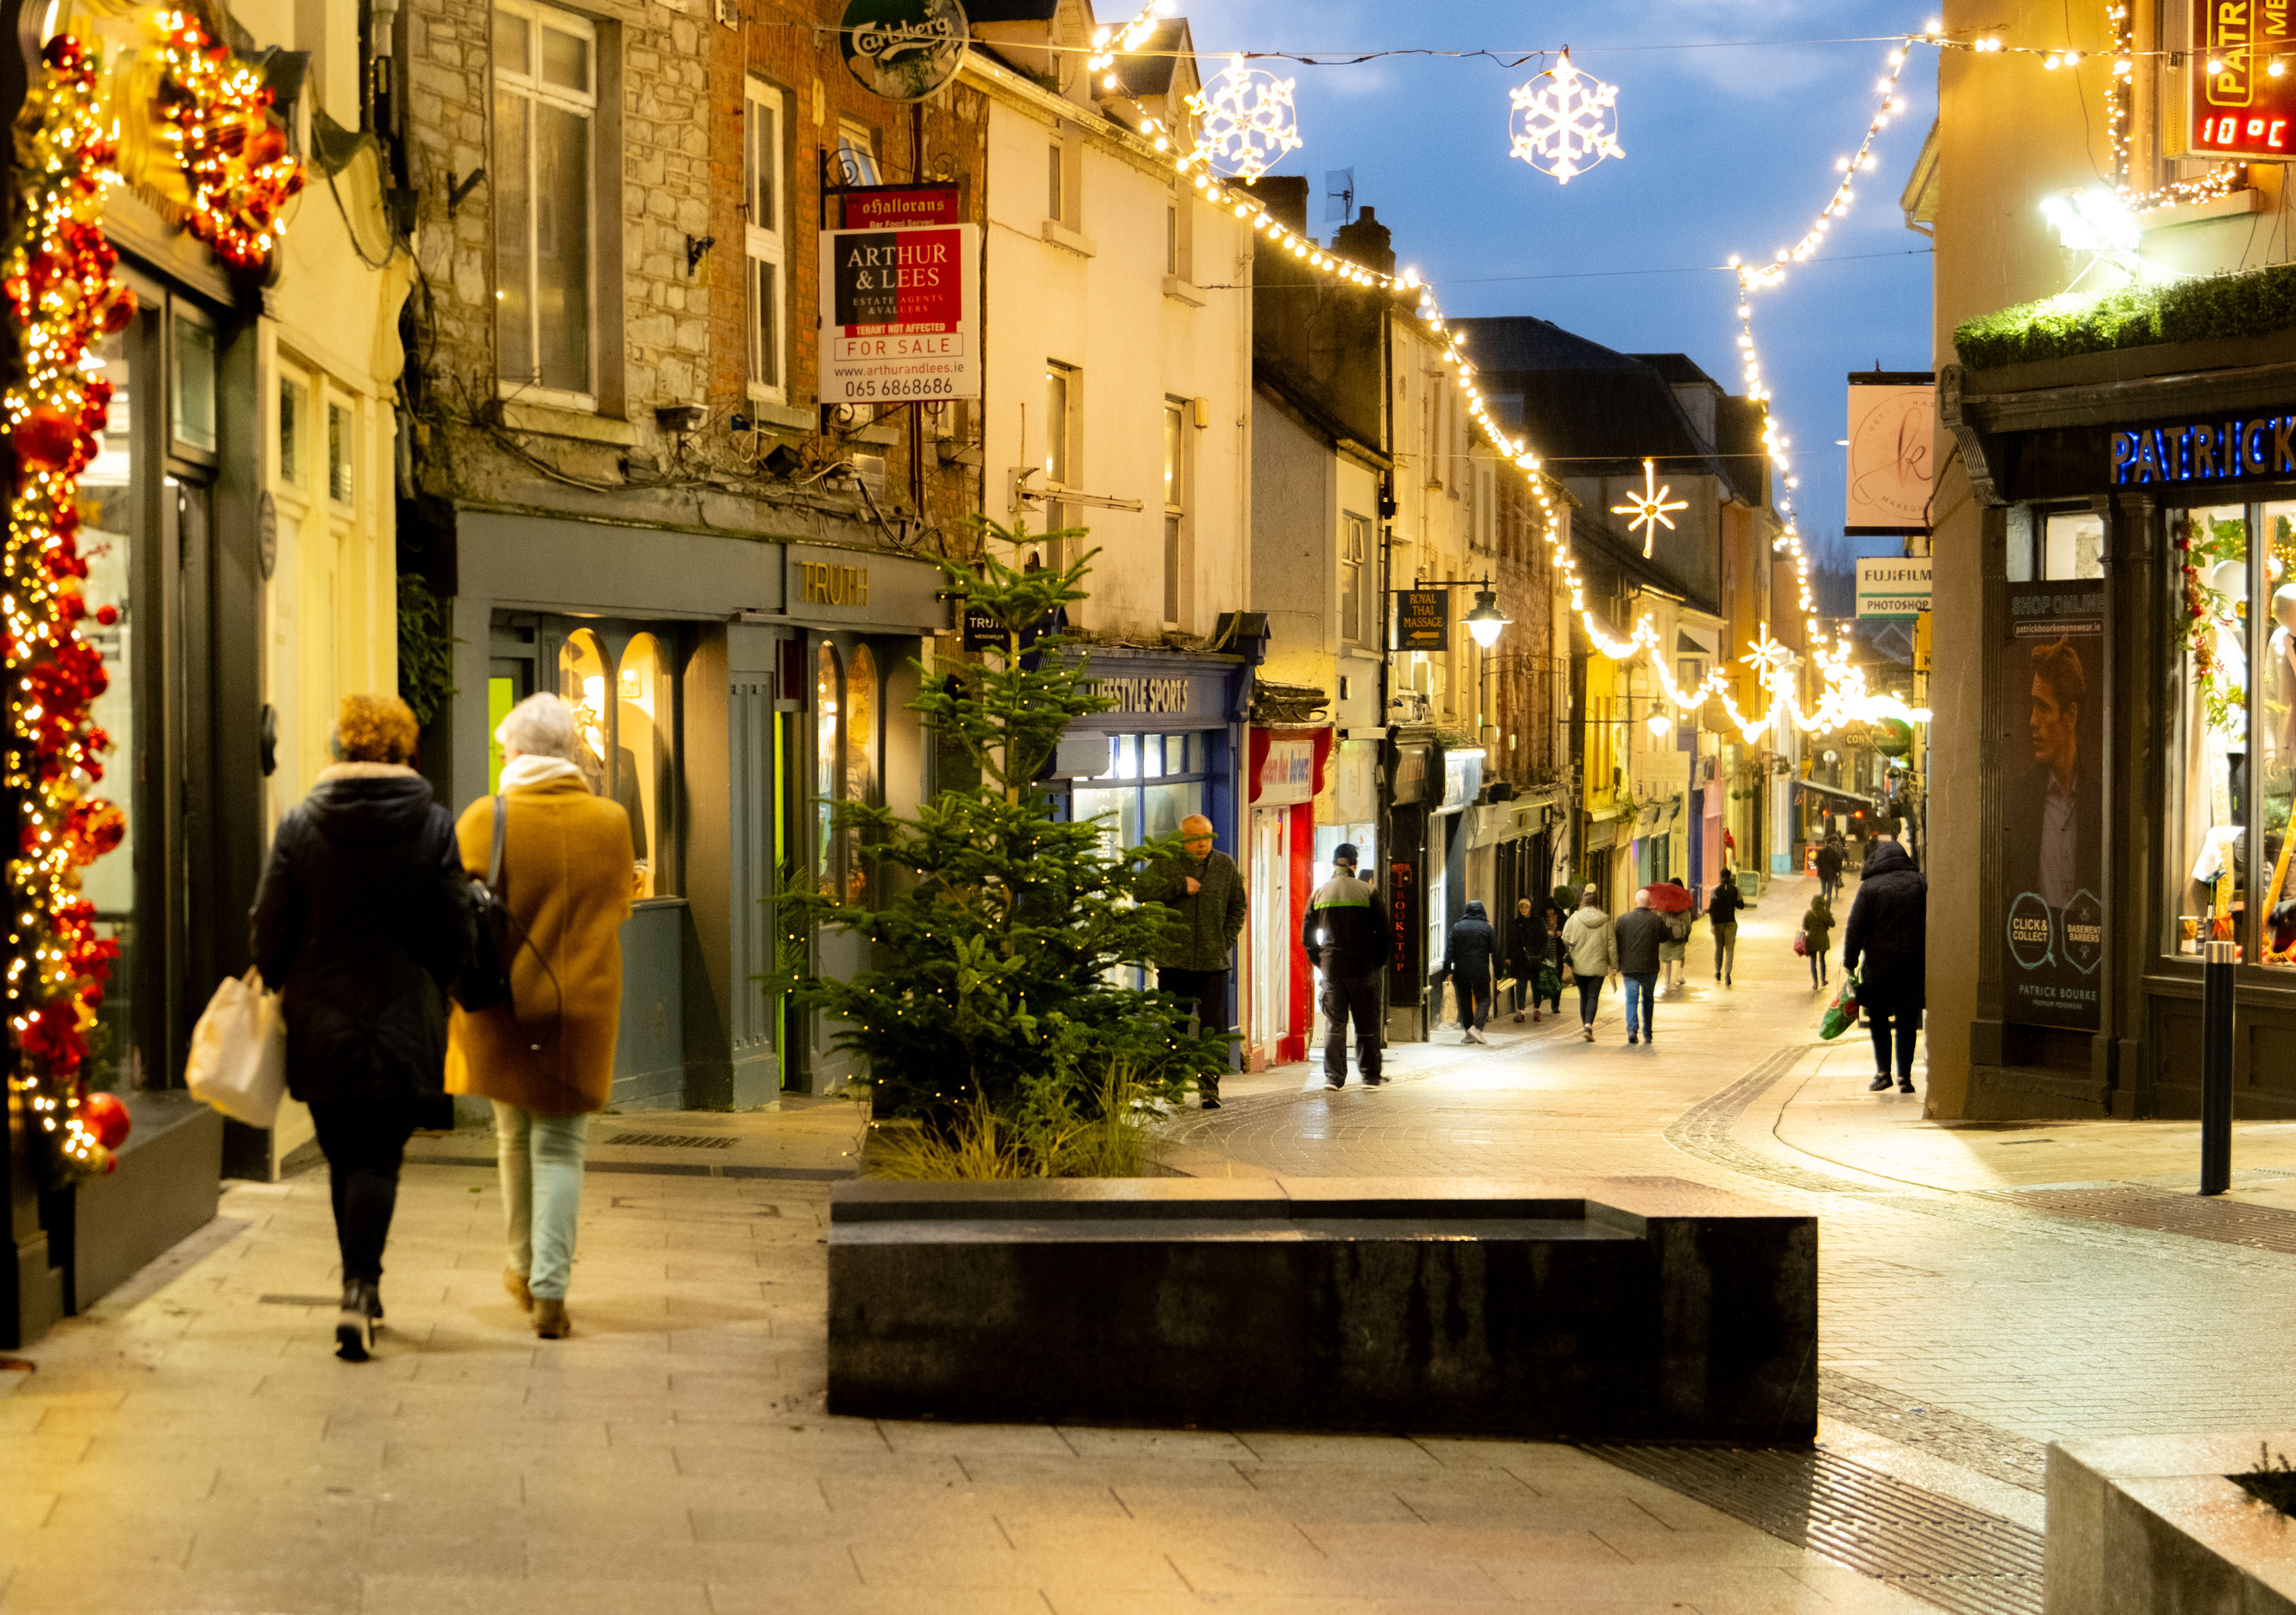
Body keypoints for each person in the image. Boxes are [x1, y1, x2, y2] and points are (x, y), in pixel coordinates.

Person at [251, 694, 470, 1363]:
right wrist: (441, 984)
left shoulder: (299, 826)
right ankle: (361, 1288)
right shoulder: (433, 827)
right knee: (380, 1158)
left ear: (340, 750)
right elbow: (456, 933)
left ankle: (358, 1288)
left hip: (321, 1020)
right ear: (404, 750)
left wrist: (284, 975)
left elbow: (268, 931)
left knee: (344, 1156)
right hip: (406, 1017)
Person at [447, 694, 635, 1340]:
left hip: (501, 1005)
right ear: (570, 754)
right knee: (561, 1148)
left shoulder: (482, 819)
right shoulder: (611, 822)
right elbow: (619, 906)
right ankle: (552, 1293)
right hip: (581, 1007)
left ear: (518, 753)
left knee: (511, 1136)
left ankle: (521, 1269)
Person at [1142, 813, 1246, 1108]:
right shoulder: (1166, 862)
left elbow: (1238, 905)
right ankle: (1173, 1082)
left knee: (1213, 1027)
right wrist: (1177, 885)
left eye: (1206, 838)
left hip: (1213, 963)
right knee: (1174, 1024)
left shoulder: (1224, 865)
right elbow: (1140, 890)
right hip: (1174, 960)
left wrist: (1225, 941)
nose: (1202, 844)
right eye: (1194, 839)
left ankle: (1209, 1087)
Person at [1843, 835, 1929, 1095]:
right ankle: (1905, 1077)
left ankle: (1883, 1074)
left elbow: (1855, 928)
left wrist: (1850, 961)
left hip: (1879, 966)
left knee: (1879, 1017)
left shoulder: (1870, 887)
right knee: (1906, 1020)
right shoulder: (1919, 883)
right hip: (1912, 963)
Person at [1302, 842, 1389, 1088]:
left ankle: (1334, 1077)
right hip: (1363, 967)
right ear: (1355, 864)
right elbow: (1384, 932)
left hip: (1332, 967)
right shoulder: (1368, 892)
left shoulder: (1319, 893)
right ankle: (1370, 1075)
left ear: (1333, 863)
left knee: (1335, 1024)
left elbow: (1307, 935)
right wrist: (1377, 962)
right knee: (1366, 1023)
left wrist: (1320, 961)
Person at [1560, 884, 1618, 1042]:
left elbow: (1565, 937)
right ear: (1597, 902)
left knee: (1583, 996)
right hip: (1598, 965)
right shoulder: (1605, 920)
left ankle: (1585, 1026)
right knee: (1593, 996)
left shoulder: (1574, 918)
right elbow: (1611, 945)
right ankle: (1588, 1026)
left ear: (1583, 902)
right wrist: (1614, 966)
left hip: (1579, 964)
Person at [1614, 890, 1670, 1047]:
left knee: (1631, 999)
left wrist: (1615, 963)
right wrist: (1657, 916)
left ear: (1635, 900)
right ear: (1650, 902)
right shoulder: (1655, 920)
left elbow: (1616, 940)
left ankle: (1632, 1029)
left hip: (1629, 966)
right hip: (1650, 967)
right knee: (1648, 1000)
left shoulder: (1623, 919)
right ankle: (1648, 1033)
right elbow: (1666, 937)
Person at [1443, 900, 1496, 1044]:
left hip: (1461, 970)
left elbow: (1449, 951)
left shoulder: (1457, 927)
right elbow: (1495, 951)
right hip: (1481, 970)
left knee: (1465, 1000)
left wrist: (1447, 969)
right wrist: (1498, 969)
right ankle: (1477, 1028)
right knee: (1484, 999)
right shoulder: (1487, 928)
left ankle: (1468, 1031)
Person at [1708, 872, 1745, 985]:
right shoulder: (1735, 890)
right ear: (1730, 877)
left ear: (1720, 877)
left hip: (1718, 924)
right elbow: (1741, 906)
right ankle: (1728, 974)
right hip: (1730, 922)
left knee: (1719, 947)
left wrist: (1712, 924)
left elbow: (1712, 909)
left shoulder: (1715, 891)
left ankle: (1718, 971)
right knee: (1729, 950)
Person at [1658, 877, 1690, 992]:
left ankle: (1666, 981)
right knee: (1676, 959)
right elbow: (1687, 920)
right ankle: (1673, 984)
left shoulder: (1664, 900)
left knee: (1666, 960)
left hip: (1666, 934)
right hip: (1679, 935)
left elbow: (1661, 918)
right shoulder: (1684, 900)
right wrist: (1687, 934)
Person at [1802, 892, 1836, 989]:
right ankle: (1823, 980)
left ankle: (1815, 982)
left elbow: (1805, 926)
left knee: (1813, 961)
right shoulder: (1825, 913)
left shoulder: (1809, 914)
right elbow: (1833, 924)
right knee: (1822, 960)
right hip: (1823, 940)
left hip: (1811, 940)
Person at [1815, 839, 1844, 907]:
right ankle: (1827, 910)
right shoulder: (1834, 853)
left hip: (1822, 874)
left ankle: (1818, 905)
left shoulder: (1820, 852)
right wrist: (1838, 871)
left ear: (1825, 842)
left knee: (1823, 892)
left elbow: (1816, 861)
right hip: (1830, 875)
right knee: (1829, 893)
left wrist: (1820, 867)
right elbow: (1838, 864)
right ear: (1831, 843)